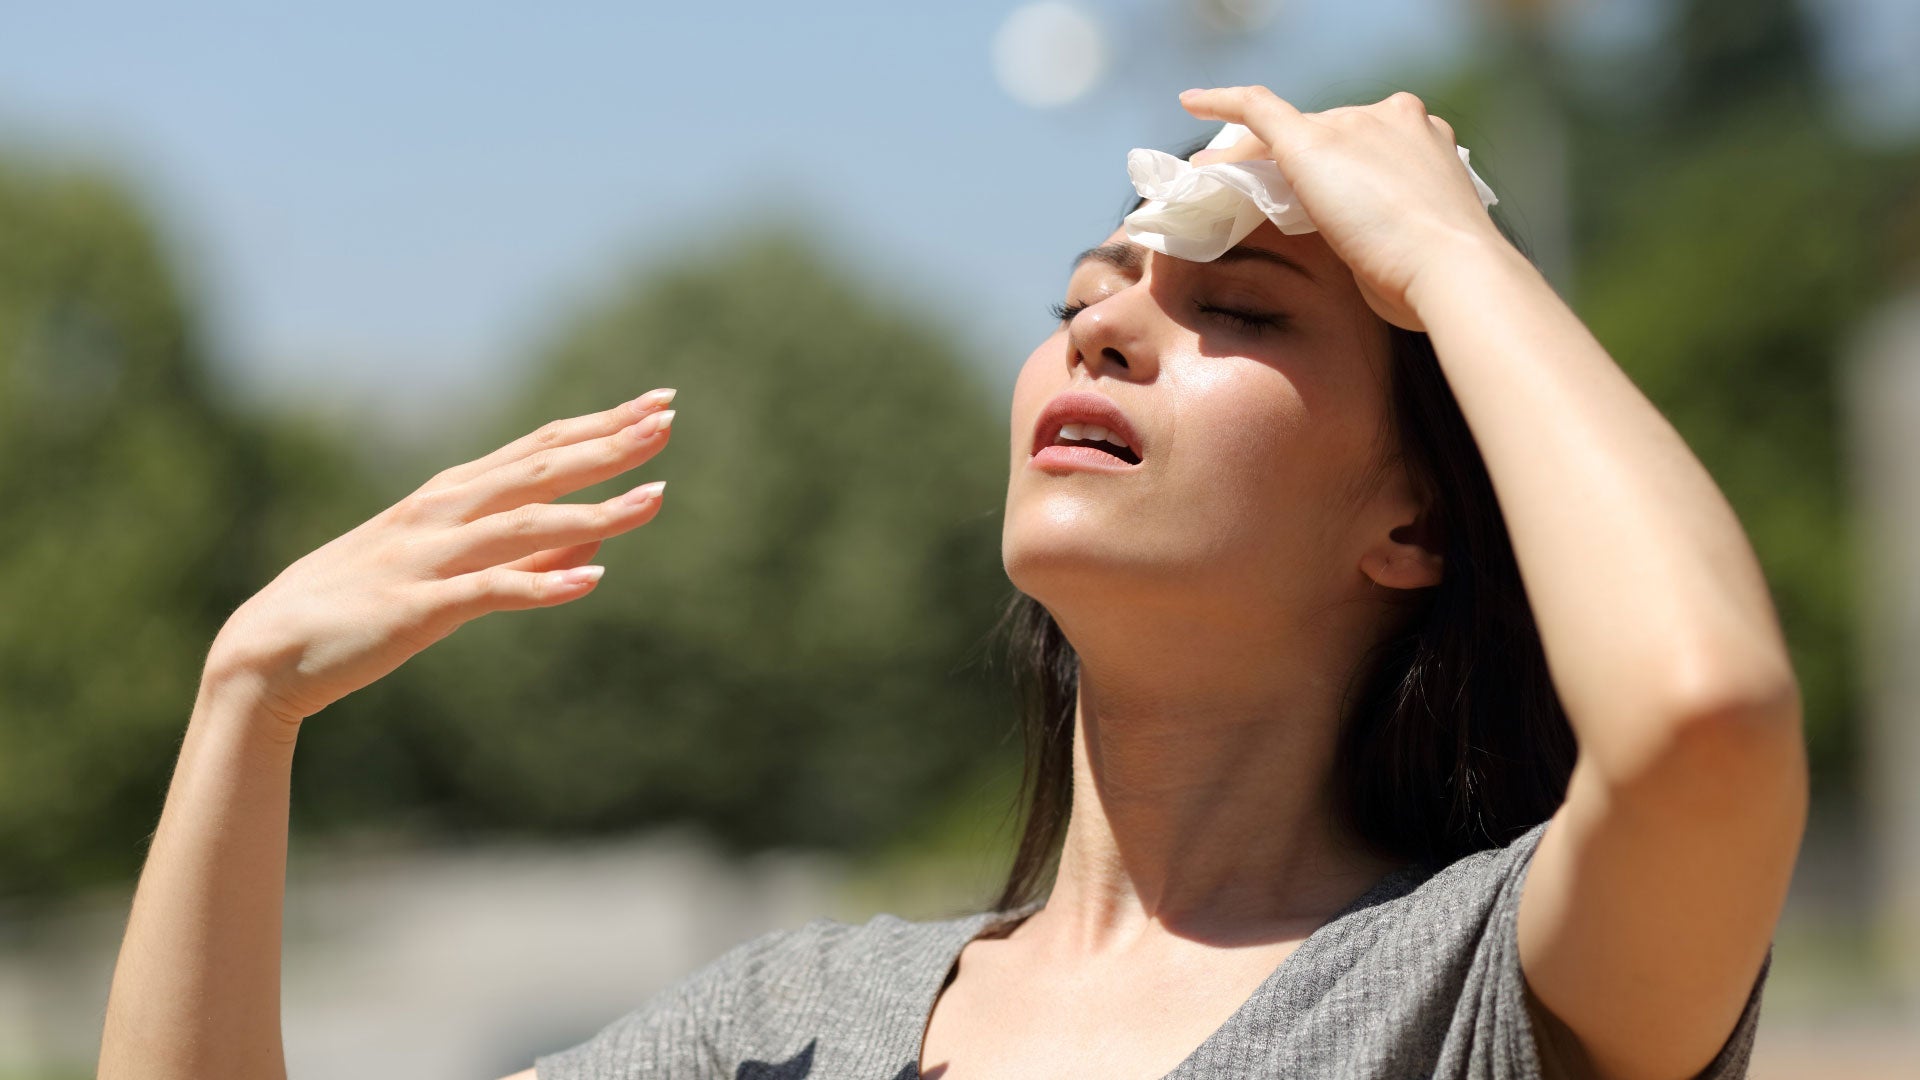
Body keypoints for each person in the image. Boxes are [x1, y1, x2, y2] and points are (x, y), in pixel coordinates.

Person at [98, 86, 1806, 1080]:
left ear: (1416, 527)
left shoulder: (1477, 988)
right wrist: (246, 704)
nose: (1109, 322)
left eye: (1247, 312)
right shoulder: (786, 1029)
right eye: (1085, 291)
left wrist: (1448, 247)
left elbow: (1702, 720)